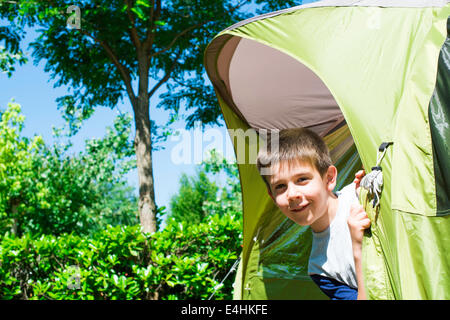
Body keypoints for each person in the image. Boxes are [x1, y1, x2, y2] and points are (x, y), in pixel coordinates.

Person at [256, 127, 370, 300]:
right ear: (273, 197)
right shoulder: (320, 269)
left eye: (302, 179)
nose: (292, 194)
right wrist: (358, 249)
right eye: (280, 186)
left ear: (329, 178)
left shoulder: (361, 196)